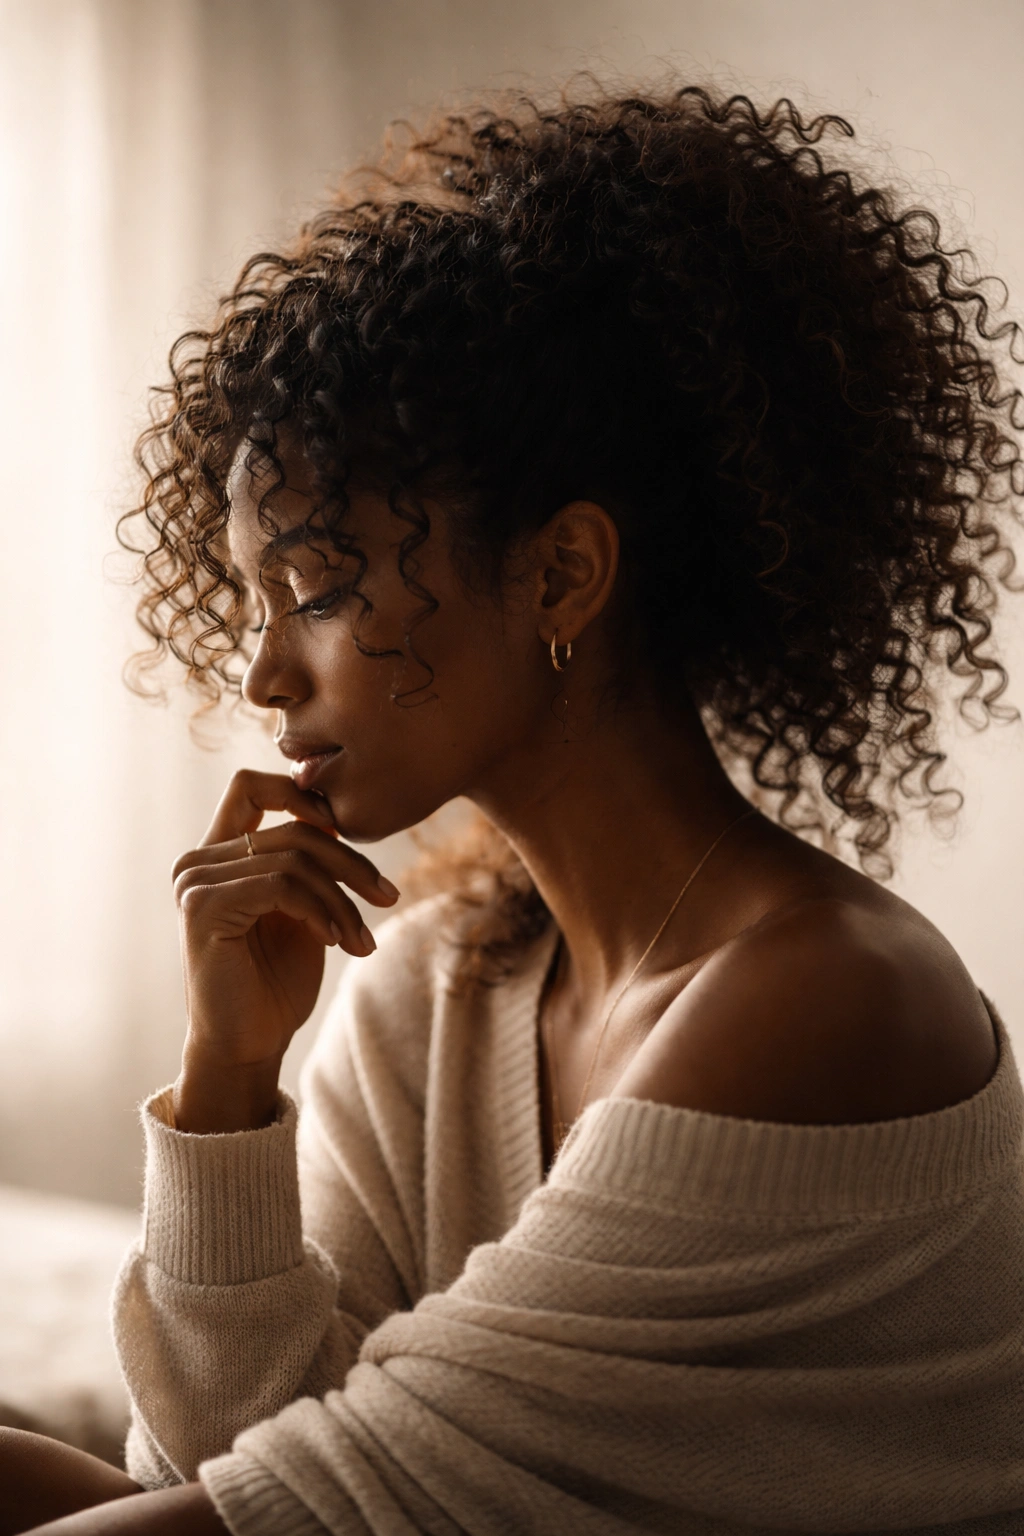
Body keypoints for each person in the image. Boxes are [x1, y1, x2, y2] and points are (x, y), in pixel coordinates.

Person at [8, 82, 1024, 1535]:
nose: (260, 670)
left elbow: (316, 1513)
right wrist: (228, 1076)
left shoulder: (831, 999)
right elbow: (229, 1467)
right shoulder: (435, 979)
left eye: (319, 593)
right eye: (250, 601)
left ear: (560, 578)